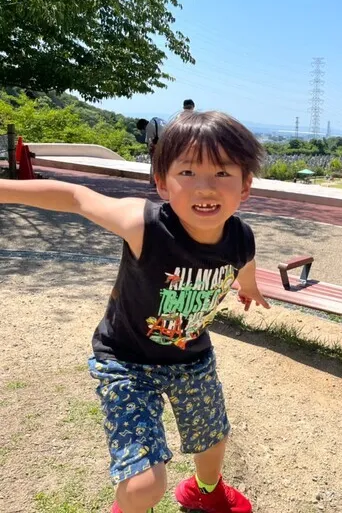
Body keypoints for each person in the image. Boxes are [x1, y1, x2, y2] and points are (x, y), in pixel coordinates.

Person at [1, 111, 270, 513]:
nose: (205, 187)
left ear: (245, 186)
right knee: (144, 485)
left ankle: (204, 489)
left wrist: (248, 286)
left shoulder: (240, 235)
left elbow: (244, 261)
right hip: (126, 361)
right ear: (162, 182)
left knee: (214, 440)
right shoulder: (143, 225)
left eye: (222, 173)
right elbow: (77, 198)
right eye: (188, 172)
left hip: (192, 357)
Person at [136, 117, 167, 186]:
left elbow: (150, 142)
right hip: (168, 143)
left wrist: (150, 150)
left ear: (143, 126)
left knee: (155, 164)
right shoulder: (158, 120)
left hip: (159, 147)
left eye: (142, 129)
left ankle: (155, 182)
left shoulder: (149, 127)